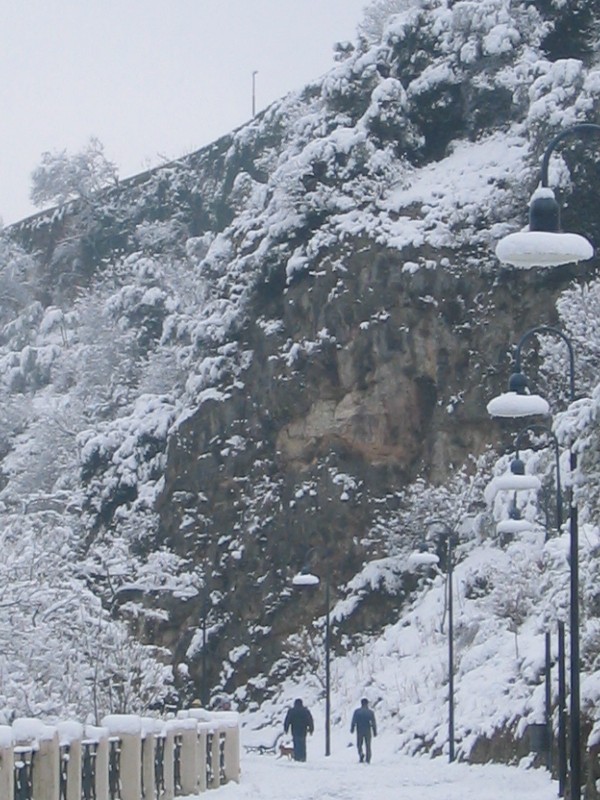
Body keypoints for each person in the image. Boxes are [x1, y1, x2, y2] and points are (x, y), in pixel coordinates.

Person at [350, 698, 377, 763]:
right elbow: (373, 722)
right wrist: (374, 731)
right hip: (367, 730)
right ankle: (368, 758)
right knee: (368, 745)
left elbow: (354, 721)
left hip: (359, 730)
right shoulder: (370, 712)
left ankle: (361, 753)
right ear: (367, 704)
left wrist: (352, 729)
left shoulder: (357, 712)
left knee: (359, 744)